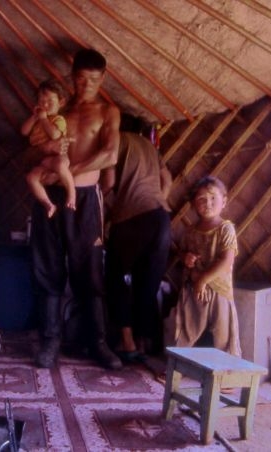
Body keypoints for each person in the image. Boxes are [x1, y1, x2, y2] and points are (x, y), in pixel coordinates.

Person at [31, 48, 122, 370]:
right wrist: (48, 149)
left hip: (84, 197)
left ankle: (97, 342)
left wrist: (72, 170)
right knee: (48, 265)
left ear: (103, 79)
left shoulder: (108, 111)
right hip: (52, 197)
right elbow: (35, 143)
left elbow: (110, 155)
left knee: (90, 268)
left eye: (93, 80)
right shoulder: (58, 109)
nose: (86, 85)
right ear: (72, 77)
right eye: (81, 79)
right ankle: (50, 340)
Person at [102, 130, 172, 363]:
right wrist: (157, 199)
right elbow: (167, 179)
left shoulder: (115, 139)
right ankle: (144, 344)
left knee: (113, 276)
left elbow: (109, 183)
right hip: (161, 216)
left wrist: (98, 201)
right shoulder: (150, 146)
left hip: (131, 217)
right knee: (147, 284)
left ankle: (127, 341)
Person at [172, 176, 241, 356]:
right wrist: (185, 258)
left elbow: (227, 261)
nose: (207, 203)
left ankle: (228, 372)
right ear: (194, 204)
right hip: (194, 288)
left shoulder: (226, 229)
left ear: (224, 201)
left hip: (219, 290)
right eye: (201, 199)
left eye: (213, 198)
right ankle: (176, 366)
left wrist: (203, 280)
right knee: (186, 328)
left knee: (224, 334)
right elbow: (181, 253)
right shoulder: (190, 231)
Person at [21, 79, 75, 218]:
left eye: (50, 101)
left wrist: (44, 119)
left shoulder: (58, 119)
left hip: (57, 157)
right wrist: (34, 117)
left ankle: (72, 194)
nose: (45, 105)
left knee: (61, 166)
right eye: (41, 101)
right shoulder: (37, 119)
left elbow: (54, 134)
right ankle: (48, 204)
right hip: (43, 160)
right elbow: (24, 132)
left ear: (61, 103)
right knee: (31, 178)